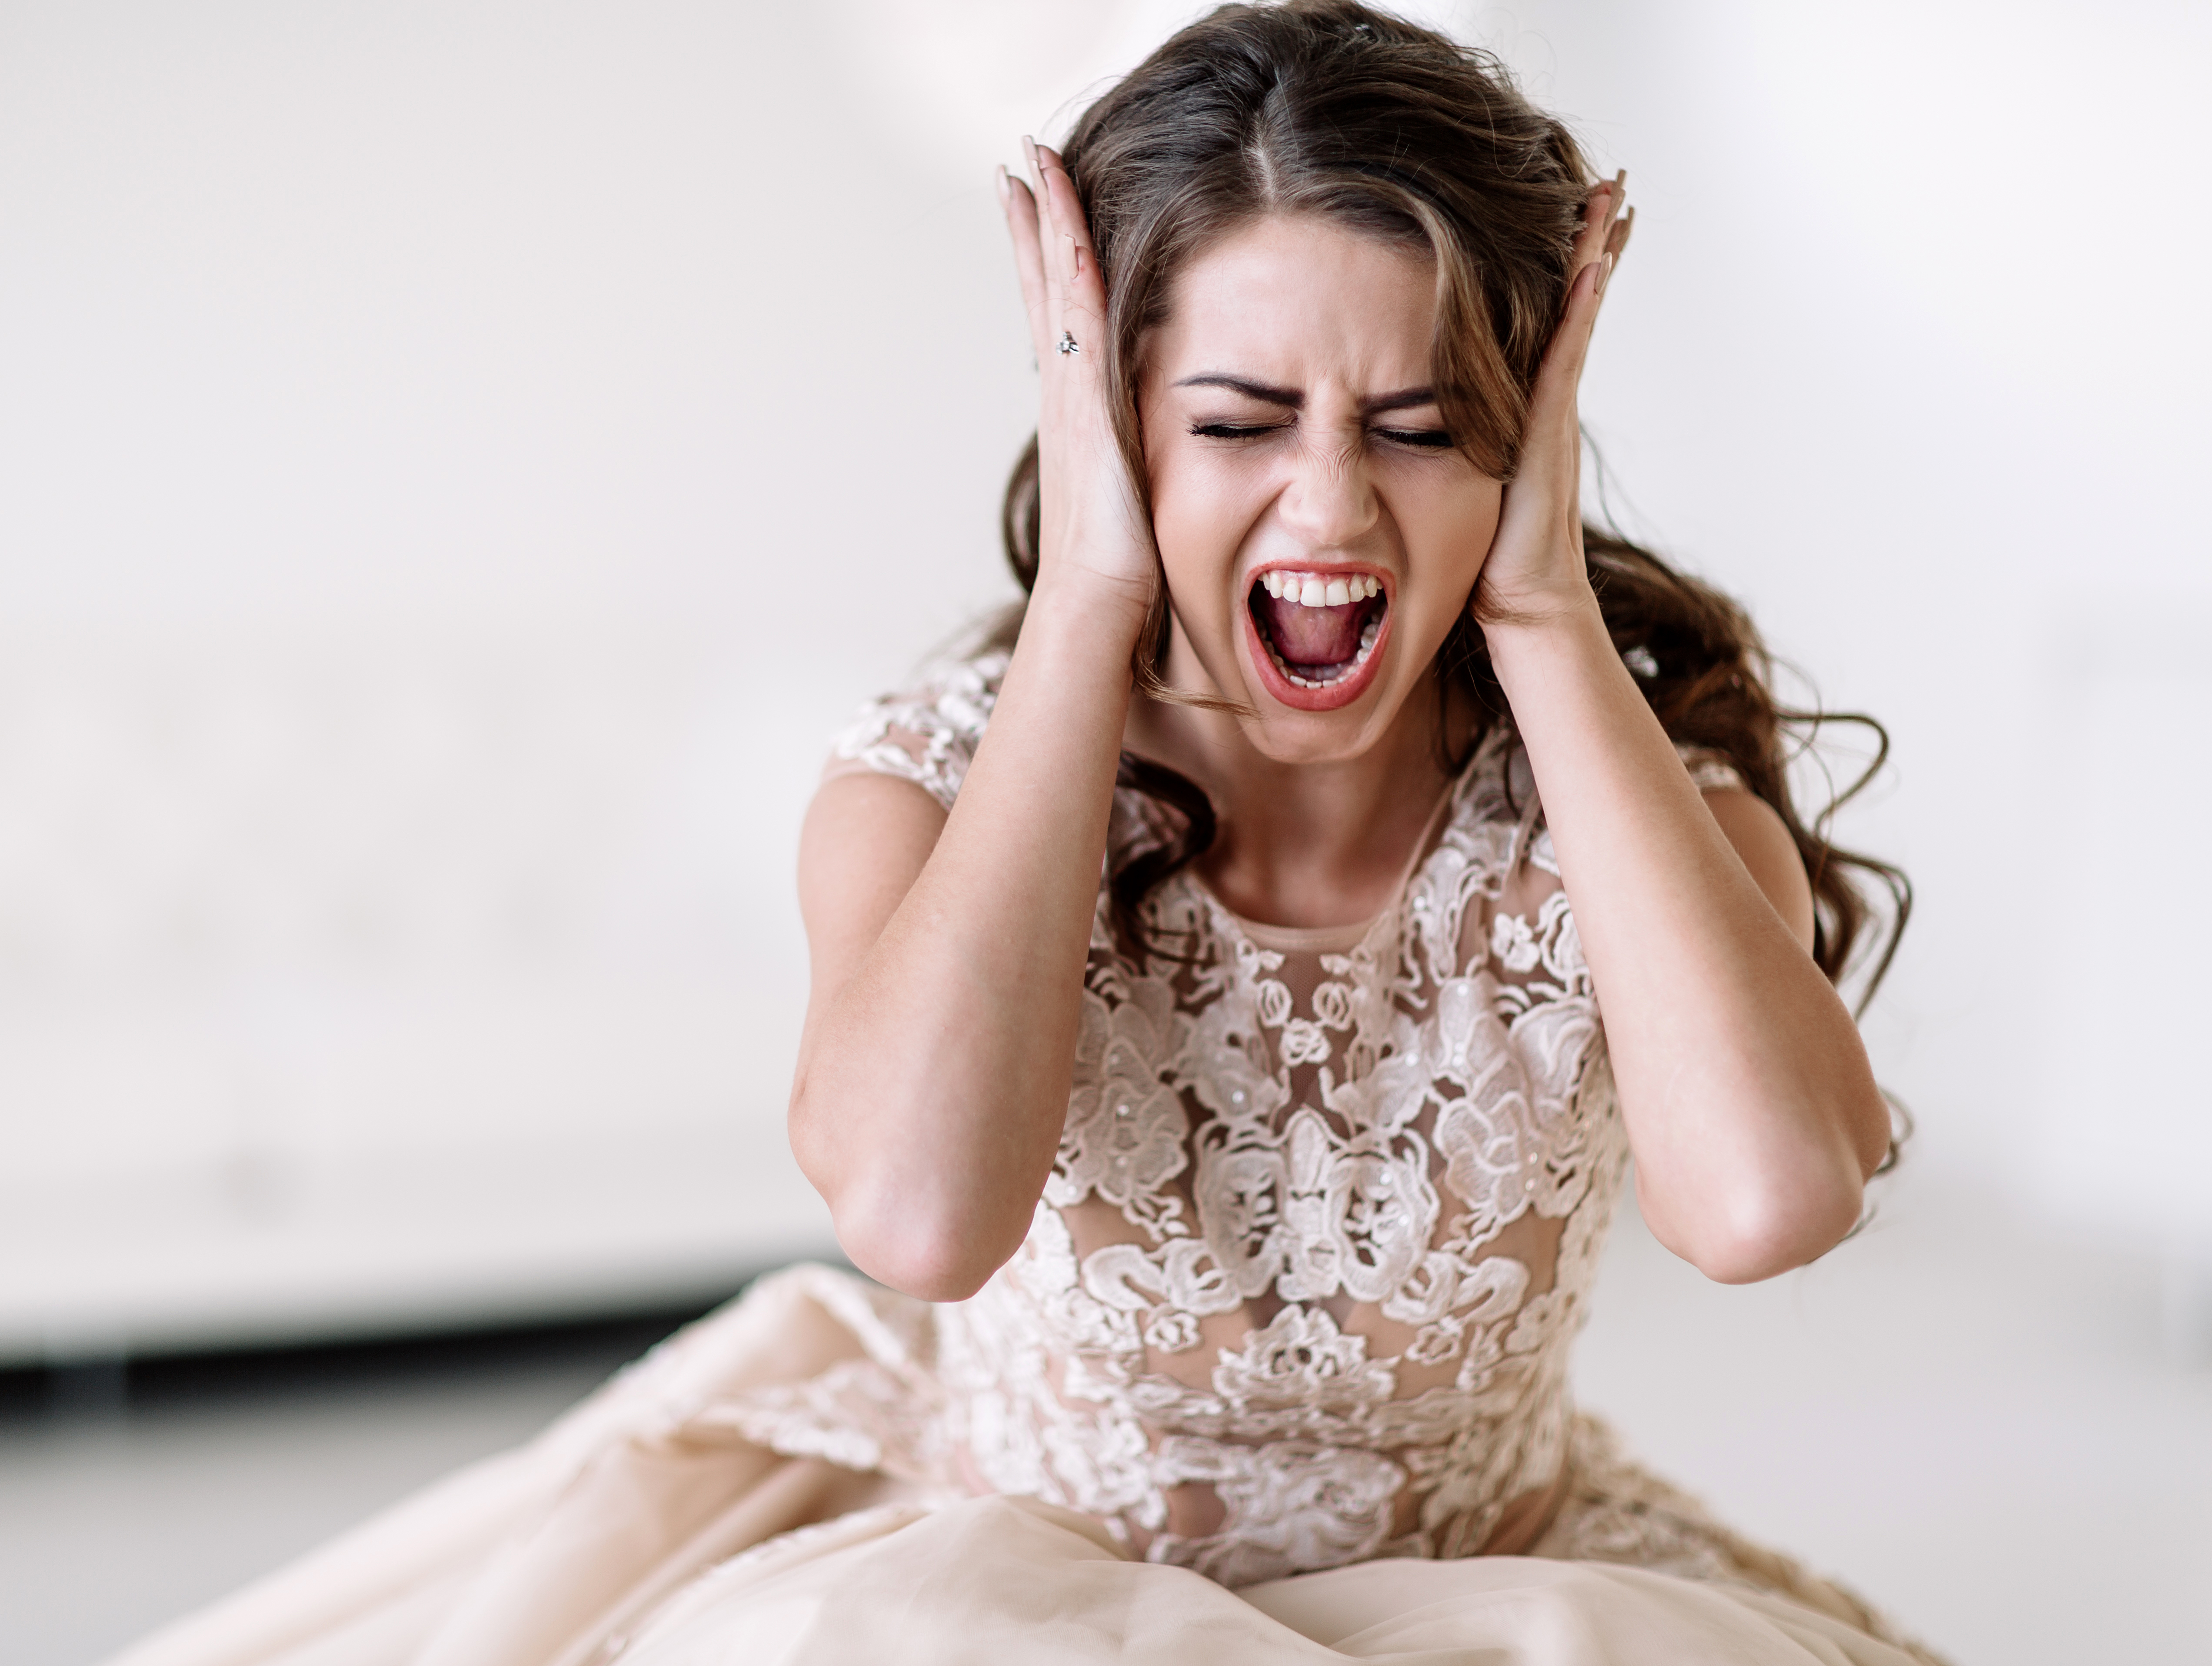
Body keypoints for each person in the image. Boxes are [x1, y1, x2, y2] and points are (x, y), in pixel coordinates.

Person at [108, 5, 1941, 1662]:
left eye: (1421, 426)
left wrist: (1544, 621)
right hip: (1003, 1587)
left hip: (1502, 1598)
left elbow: (1769, 1202)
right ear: (1112, 424)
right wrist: (1087, 595)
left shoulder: (1637, 811)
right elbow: (914, 1215)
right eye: (1235, 420)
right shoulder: (919, 781)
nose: (1330, 502)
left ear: (1528, 444)